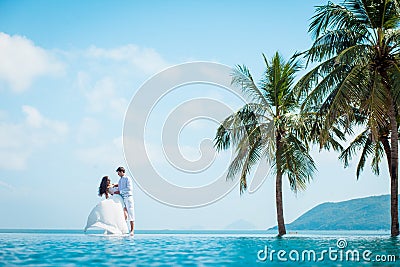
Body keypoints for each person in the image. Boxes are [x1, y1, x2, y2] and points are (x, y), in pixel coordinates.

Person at [114, 166, 135, 235]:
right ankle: (124, 229)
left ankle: (132, 230)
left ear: (122, 172)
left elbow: (129, 188)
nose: (118, 174)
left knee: (131, 213)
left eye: (118, 172)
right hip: (122, 198)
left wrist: (120, 192)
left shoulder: (127, 178)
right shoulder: (120, 180)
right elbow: (119, 187)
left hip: (128, 198)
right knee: (123, 214)